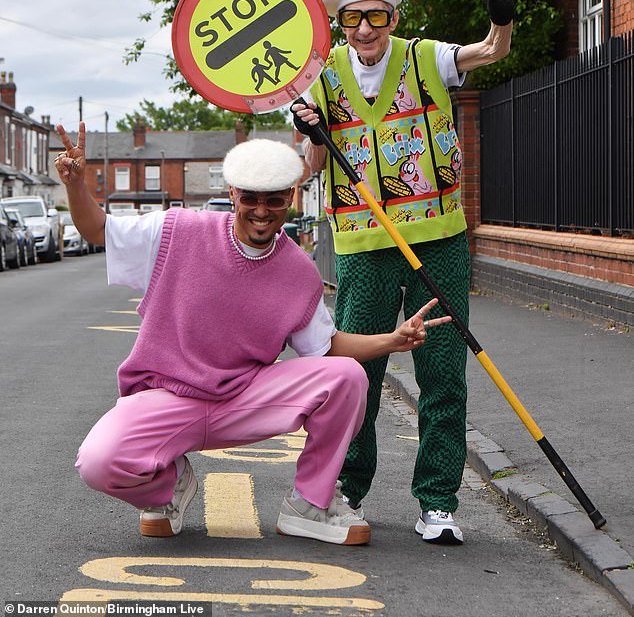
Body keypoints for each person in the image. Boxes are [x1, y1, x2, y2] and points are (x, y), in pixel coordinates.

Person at [53, 127, 452, 546]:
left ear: (292, 199)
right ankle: (168, 487)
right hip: (167, 396)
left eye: (274, 199)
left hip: (243, 398)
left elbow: (326, 349)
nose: (262, 211)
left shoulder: (299, 271)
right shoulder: (177, 230)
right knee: (97, 462)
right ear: (232, 194)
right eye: (251, 198)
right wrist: (77, 185)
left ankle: (308, 503)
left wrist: (393, 339)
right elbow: (98, 230)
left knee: (347, 376)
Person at [292, 0, 513, 545]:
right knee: (354, 372)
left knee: (442, 371)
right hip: (363, 245)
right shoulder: (319, 74)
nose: (365, 30)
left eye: (377, 18)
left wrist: (501, 7)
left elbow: (491, 51)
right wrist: (311, 132)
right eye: (352, 20)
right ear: (339, 24)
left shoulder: (426, 59)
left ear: (393, 18)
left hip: (438, 239)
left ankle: (438, 502)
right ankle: (347, 492)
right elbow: (311, 167)